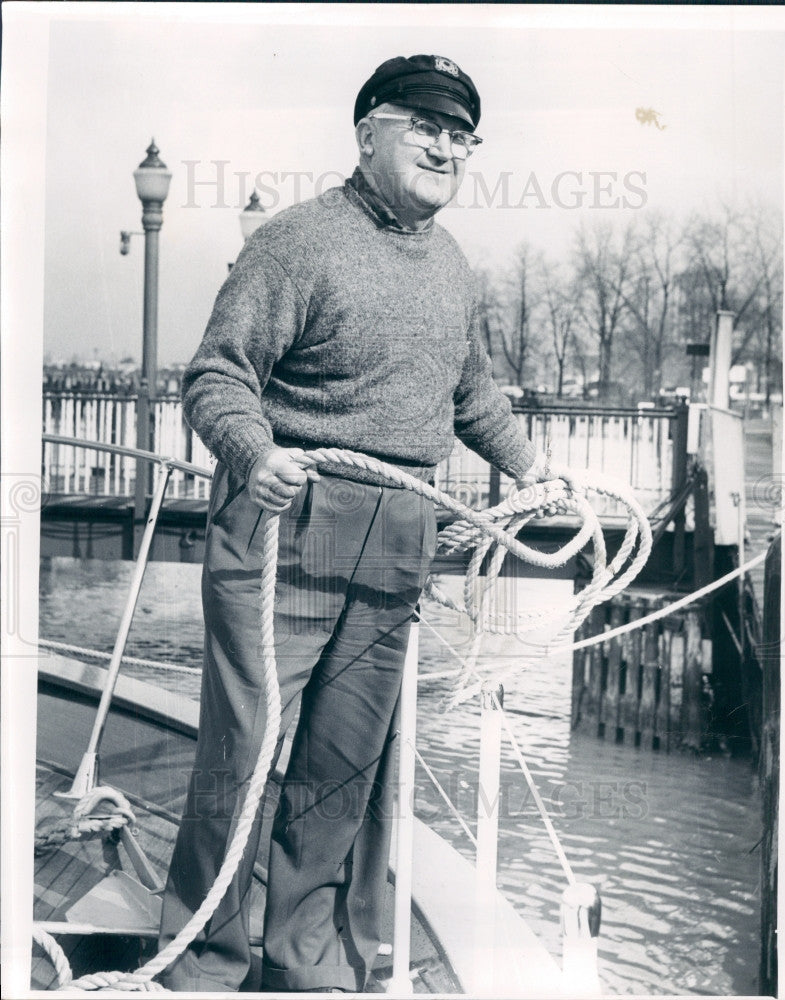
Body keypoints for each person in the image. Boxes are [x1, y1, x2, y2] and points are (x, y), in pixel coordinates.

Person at [158, 53, 538, 993]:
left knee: (342, 764)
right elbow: (215, 376)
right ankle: (199, 962)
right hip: (291, 516)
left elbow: (468, 396)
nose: (444, 145)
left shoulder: (451, 263)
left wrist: (537, 469)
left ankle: (302, 965)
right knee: (245, 754)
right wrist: (256, 452)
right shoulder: (297, 243)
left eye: (460, 134)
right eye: (424, 124)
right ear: (367, 129)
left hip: (400, 534)